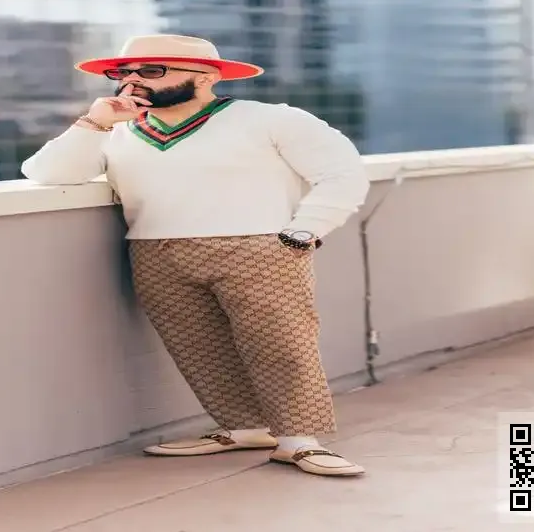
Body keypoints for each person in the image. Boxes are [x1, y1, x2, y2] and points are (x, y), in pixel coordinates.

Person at [21, 34, 370, 477]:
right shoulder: (118, 130)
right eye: (123, 72)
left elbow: (342, 173)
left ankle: (300, 442)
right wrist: (95, 121)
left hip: (258, 248)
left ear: (205, 77)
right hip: (155, 250)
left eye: (152, 71)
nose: (133, 81)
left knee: (281, 344)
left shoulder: (269, 119)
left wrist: (304, 232)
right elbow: (48, 173)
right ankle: (245, 429)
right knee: (198, 348)